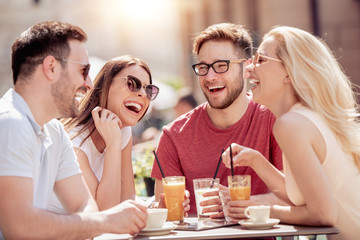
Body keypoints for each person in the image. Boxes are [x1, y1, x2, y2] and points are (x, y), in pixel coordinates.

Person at [0, 21, 148, 239]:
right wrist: (104, 221)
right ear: (51, 68)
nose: (89, 83)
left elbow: (84, 205)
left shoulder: (54, 131)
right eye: (83, 70)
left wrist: (99, 221)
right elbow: (19, 227)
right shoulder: (10, 123)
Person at [222, 26, 360, 239]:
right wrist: (257, 161)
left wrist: (257, 210)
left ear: (288, 72)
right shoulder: (307, 117)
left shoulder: (291, 124)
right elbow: (303, 197)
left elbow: (322, 213)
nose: (249, 68)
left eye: (261, 60)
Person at [151, 23, 284, 217]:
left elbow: (293, 197)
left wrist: (236, 203)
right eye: (203, 67)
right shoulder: (173, 135)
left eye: (221, 65)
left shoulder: (273, 120)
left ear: (247, 67)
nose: (210, 76)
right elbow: (164, 213)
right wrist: (165, 209)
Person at [47, 55, 159, 212]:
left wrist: (159, 207)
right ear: (106, 85)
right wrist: (113, 144)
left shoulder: (124, 131)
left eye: (149, 90)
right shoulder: (73, 140)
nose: (142, 94)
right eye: (132, 83)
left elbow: (127, 199)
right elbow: (105, 212)